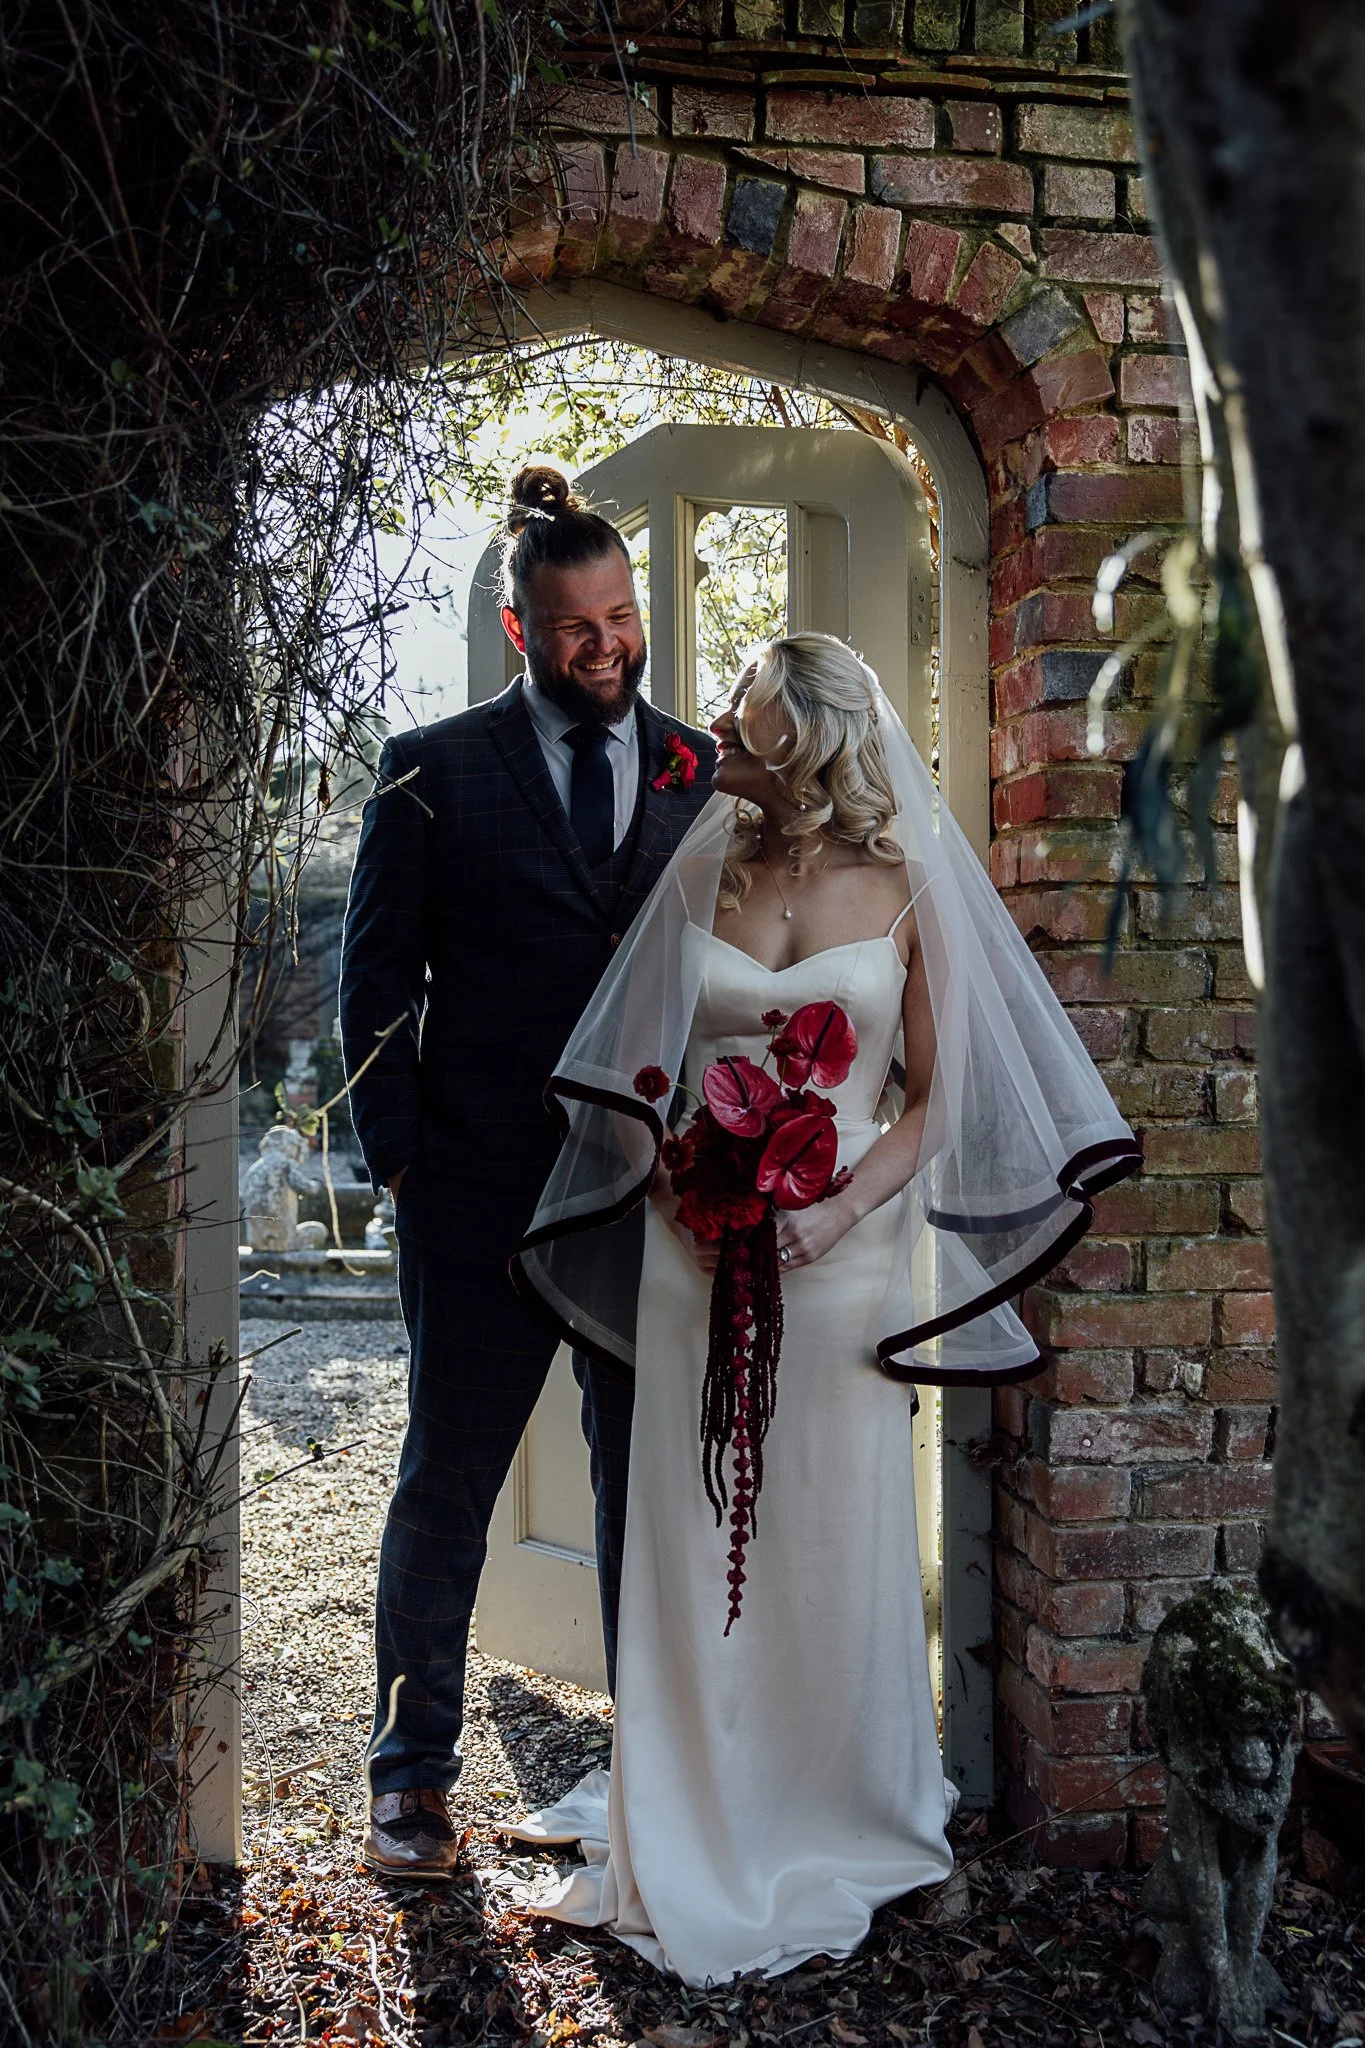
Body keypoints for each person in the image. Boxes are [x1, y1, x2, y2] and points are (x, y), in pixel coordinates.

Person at [508, 633, 1139, 1984]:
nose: (717, 731)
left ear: (812, 740)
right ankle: (695, 1805)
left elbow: (934, 1096)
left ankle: (839, 1804)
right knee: (696, 1515)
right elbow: (641, 1073)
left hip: (843, 1252)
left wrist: (841, 1207)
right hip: (700, 1251)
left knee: (826, 1531)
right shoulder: (704, 869)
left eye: (745, 714)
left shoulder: (911, 887)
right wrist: (671, 1182)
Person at [339, 465, 715, 1879]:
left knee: (644, 1491)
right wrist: (404, 1167)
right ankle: (408, 1779)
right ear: (518, 631)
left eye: (623, 617)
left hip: (646, 1200)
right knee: (448, 1481)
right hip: (478, 1198)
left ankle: (657, 1766)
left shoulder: (701, 771)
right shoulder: (430, 769)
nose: (608, 645)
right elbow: (371, 987)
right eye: (574, 628)